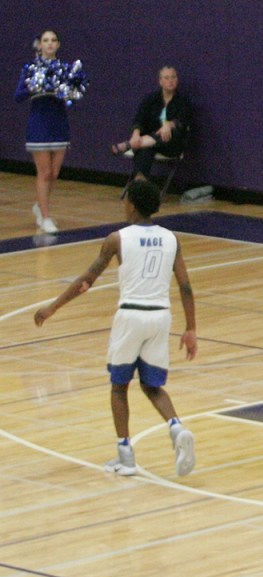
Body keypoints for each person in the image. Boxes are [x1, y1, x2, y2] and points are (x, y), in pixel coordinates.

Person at [33, 179, 197, 478]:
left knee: (119, 387)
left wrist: (53, 306)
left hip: (131, 316)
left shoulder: (117, 238)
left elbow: (87, 281)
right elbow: (185, 286)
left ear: (131, 204)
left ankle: (126, 456)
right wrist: (191, 329)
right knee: (152, 386)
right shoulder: (172, 239)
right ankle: (177, 427)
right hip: (161, 317)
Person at [15, 29, 88, 235]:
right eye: (45, 40)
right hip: (39, 124)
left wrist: (70, 89)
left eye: (53, 40)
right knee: (44, 172)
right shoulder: (30, 69)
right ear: (39, 45)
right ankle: (45, 217)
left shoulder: (66, 69)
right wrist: (35, 86)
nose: (49, 44)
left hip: (59, 124)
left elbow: (73, 96)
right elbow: (18, 96)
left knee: (54, 173)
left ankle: (40, 204)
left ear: (58, 45)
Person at [110, 65, 193, 185]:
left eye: (173, 77)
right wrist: (136, 134)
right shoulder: (151, 99)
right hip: (151, 142)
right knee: (144, 149)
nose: (170, 81)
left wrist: (168, 125)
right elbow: (139, 118)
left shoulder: (183, 101)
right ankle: (140, 184)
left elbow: (183, 121)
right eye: (166, 78)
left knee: (170, 132)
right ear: (160, 81)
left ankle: (129, 145)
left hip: (171, 144)